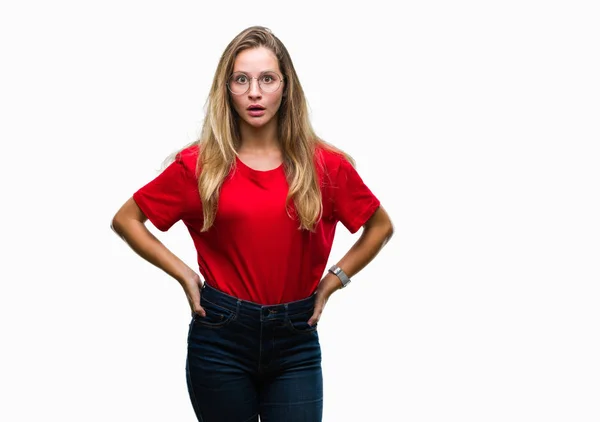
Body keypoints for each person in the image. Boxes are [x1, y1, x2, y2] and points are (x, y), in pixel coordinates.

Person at [111, 25, 394, 422]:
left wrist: (333, 282)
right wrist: (184, 276)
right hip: (220, 336)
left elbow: (380, 227)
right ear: (226, 89)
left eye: (267, 79)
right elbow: (127, 219)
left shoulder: (326, 167)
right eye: (241, 80)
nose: (255, 92)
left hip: (296, 339)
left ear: (285, 86)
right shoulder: (199, 167)